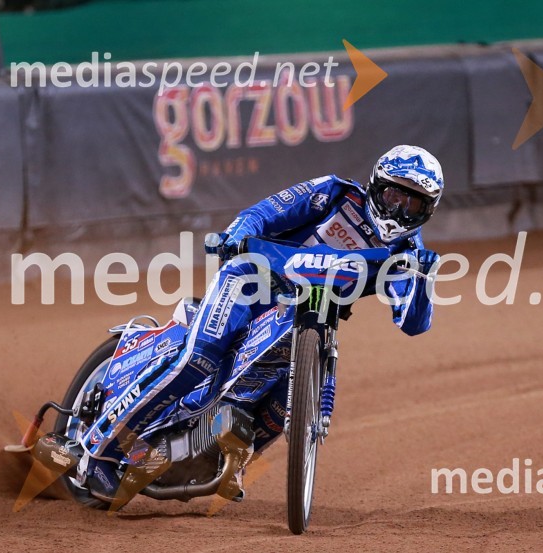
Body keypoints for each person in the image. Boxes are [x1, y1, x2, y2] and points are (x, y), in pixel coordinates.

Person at [81, 145, 444, 501]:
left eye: (413, 203)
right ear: (376, 186)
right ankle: (100, 451)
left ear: (428, 210)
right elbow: (264, 213)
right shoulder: (332, 193)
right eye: (395, 195)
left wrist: (425, 279)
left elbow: (412, 322)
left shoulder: (407, 255)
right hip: (250, 282)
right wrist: (236, 237)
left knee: (289, 399)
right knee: (200, 358)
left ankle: (223, 456)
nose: (400, 209)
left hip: (311, 319)